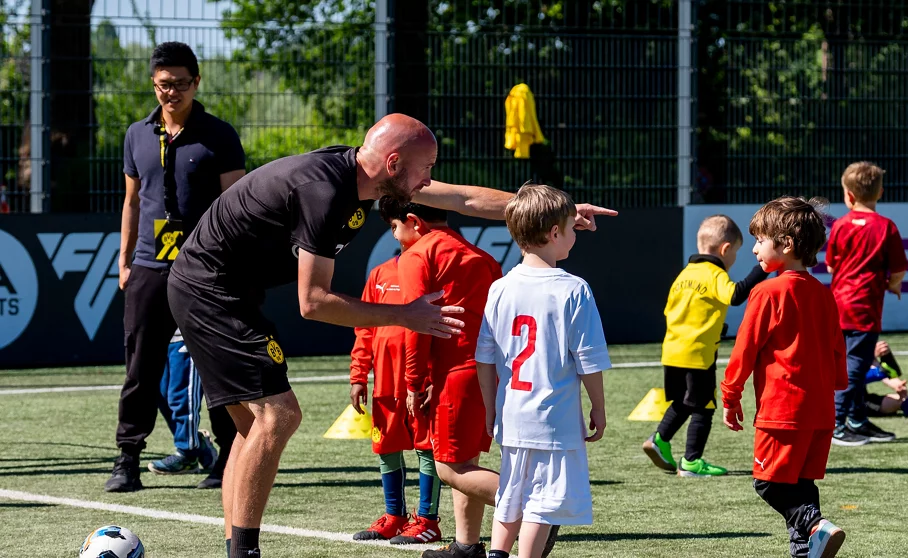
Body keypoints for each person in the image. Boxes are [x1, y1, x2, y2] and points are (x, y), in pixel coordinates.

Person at [166, 113, 615, 558]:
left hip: (224, 291)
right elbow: (313, 302)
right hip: (209, 290)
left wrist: (561, 213)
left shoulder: (371, 179)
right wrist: (406, 314)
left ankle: (235, 547)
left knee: (251, 429)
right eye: (427, 168)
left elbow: (467, 200)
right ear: (395, 162)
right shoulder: (323, 192)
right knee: (278, 416)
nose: (429, 180)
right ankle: (244, 552)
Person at [110, 41, 242, 494]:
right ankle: (127, 458)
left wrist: (230, 264)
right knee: (140, 366)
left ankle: (228, 458)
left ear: (196, 82)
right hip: (148, 265)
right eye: (164, 85)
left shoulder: (219, 135)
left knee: (216, 365)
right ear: (153, 84)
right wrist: (124, 262)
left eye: (181, 85)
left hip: (206, 269)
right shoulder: (136, 134)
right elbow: (131, 202)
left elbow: (235, 207)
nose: (172, 94)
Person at [475, 184, 610, 558]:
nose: (573, 235)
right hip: (554, 417)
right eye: (570, 227)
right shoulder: (573, 289)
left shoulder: (499, 288)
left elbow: (485, 357)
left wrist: (491, 408)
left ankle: (498, 553)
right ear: (554, 233)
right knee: (544, 501)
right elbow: (588, 359)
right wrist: (597, 407)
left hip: (513, 414)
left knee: (512, 491)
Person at [721, 197, 848, 558]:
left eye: (761, 240)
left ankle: (813, 526)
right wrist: (834, 387)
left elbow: (743, 352)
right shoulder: (824, 295)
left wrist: (730, 398)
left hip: (783, 411)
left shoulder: (766, 292)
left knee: (768, 484)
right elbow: (837, 351)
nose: (756, 249)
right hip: (820, 411)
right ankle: (806, 550)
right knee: (801, 484)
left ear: (787, 244)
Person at [387, 194, 504, 558]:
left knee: (450, 468)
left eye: (394, 227)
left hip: (454, 374)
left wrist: (413, 383)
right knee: (463, 459)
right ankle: (467, 547)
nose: (395, 237)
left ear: (413, 220)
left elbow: (414, 325)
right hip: (489, 371)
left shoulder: (417, 255)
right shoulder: (481, 256)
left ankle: (535, 512)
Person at [645, 214, 768, 477]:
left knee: (683, 402)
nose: (734, 258)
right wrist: (763, 269)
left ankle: (659, 440)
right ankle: (691, 462)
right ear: (725, 249)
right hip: (698, 353)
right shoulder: (714, 273)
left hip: (672, 351)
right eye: (734, 252)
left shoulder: (684, 274)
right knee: (703, 407)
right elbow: (734, 295)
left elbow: (673, 311)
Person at [348, 204, 443, 545]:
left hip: (423, 383)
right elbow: (365, 329)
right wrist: (359, 375)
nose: (394, 231)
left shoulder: (435, 273)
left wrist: (433, 378)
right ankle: (394, 516)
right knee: (385, 445)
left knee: (426, 448)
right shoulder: (380, 274)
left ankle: (428, 520)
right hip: (385, 383)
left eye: (396, 224)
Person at [827, 161, 907, 446]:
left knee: (849, 364)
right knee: (855, 367)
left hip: (837, 307)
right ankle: (836, 424)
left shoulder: (840, 226)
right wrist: (892, 285)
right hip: (864, 310)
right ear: (880, 192)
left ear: (848, 195)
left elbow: (831, 267)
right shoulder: (886, 227)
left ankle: (856, 419)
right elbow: (898, 270)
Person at [146, 331, 218, 481]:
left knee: (181, 395)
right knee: (162, 395)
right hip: (160, 334)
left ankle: (188, 453)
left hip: (187, 331)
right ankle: (198, 444)